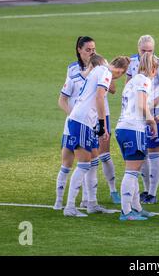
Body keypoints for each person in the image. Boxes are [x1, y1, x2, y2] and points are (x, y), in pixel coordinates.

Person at [62, 54, 116, 217]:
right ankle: (70, 207)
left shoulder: (94, 72)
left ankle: (92, 204)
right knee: (84, 164)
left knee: (93, 161)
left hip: (84, 120)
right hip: (82, 121)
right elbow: (100, 97)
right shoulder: (105, 72)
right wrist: (102, 124)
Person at [126, 35, 159, 204]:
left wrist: (150, 104)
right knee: (142, 152)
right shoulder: (132, 63)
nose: (147, 53)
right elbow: (128, 85)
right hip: (138, 114)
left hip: (156, 113)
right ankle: (145, 190)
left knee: (154, 152)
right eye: (144, 50)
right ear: (138, 49)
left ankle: (152, 192)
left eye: (150, 51)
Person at [116, 52, 158, 221]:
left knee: (134, 170)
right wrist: (152, 121)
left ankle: (136, 208)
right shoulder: (145, 81)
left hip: (123, 127)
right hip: (134, 129)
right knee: (132, 172)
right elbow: (141, 104)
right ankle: (126, 212)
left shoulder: (131, 81)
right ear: (153, 69)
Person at [54, 36, 95, 211]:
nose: (91, 53)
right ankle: (60, 202)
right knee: (69, 163)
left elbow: (111, 90)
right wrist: (73, 115)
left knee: (89, 161)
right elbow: (62, 99)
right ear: (79, 49)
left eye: (93, 49)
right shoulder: (72, 71)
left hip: (89, 122)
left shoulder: (98, 69)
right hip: (75, 123)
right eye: (88, 49)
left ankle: (86, 200)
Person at [95, 56, 131, 205]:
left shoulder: (103, 67)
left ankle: (113, 190)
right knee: (88, 156)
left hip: (103, 115)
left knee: (104, 155)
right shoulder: (79, 68)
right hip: (88, 115)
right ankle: (88, 196)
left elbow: (113, 89)